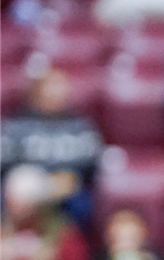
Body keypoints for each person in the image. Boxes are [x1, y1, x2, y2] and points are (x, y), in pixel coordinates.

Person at [0, 67, 104, 226]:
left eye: (59, 88)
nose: (55, 93)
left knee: (82, 204)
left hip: (66, 189)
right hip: (24, 188)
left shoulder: (80, 126)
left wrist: (70, 178)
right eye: (50, 88)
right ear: (37, 92)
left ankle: (69, 248)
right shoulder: (16, 125)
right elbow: (4, 162)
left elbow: (92, 163)